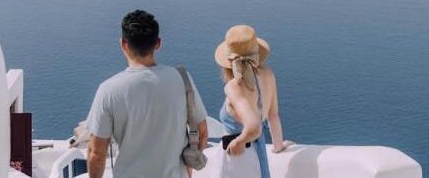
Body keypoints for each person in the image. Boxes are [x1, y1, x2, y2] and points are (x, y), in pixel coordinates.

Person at [85, 10, 209, 178]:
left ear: (123, 44)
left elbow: (96, 153)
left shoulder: (108, 90)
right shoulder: (182, 79)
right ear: (158, 43)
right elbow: (202, 132)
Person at [215, 25, 293, 178]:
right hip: (258, 154)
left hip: (237, 158)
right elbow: (273, 116)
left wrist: (239, 141)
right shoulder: (268, 75)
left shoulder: (234, 87)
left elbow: (253, 126)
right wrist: (278, 146)